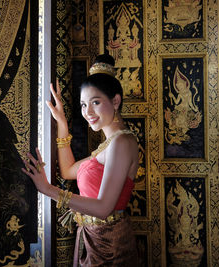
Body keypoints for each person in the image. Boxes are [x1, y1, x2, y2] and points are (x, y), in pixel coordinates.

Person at [22, 54, 139, 266]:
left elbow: (104, 208)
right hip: (94, 239)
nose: (88, 112)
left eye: (95, 102)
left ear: (115, 101)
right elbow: (67, 170)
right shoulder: (109, 144)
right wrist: (62, 123)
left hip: (110, 245)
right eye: (84, 104)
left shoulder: (122, 142)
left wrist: (48, 190)